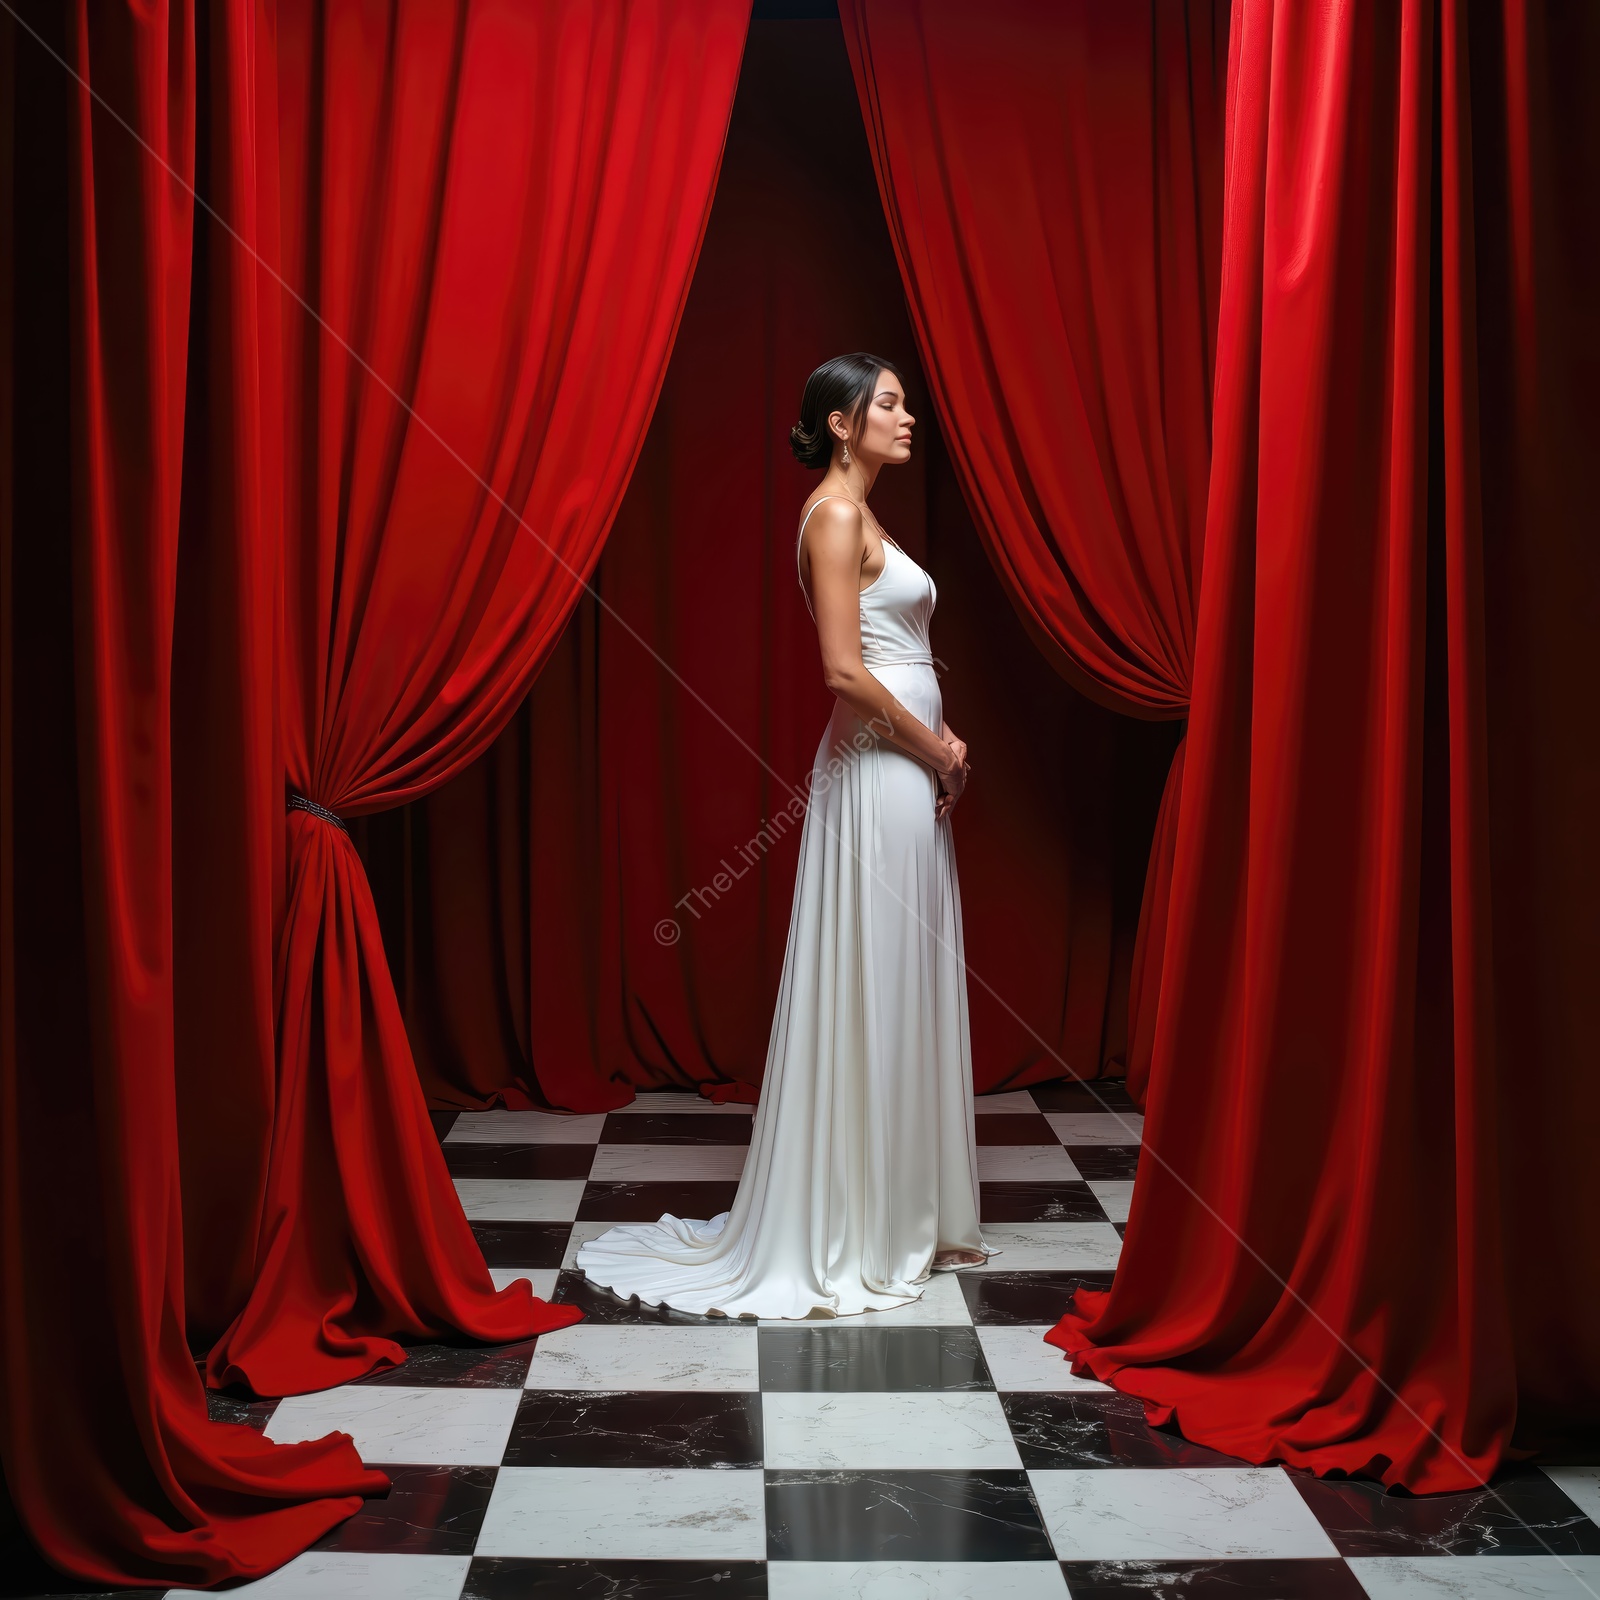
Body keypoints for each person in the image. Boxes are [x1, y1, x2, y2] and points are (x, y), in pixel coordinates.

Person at [575, 352, 996, 1318]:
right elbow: (845, 671)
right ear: (842, 422)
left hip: (903, 766)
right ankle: (865, 1223)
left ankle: (904, 1214)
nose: (909, 418)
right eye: (889, 404)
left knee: (903, 977)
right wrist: (936, 751)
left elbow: (902, 654)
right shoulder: (837, 514)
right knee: (879, 978)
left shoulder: (863, 514)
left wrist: (943, 737)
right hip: (880, 772)